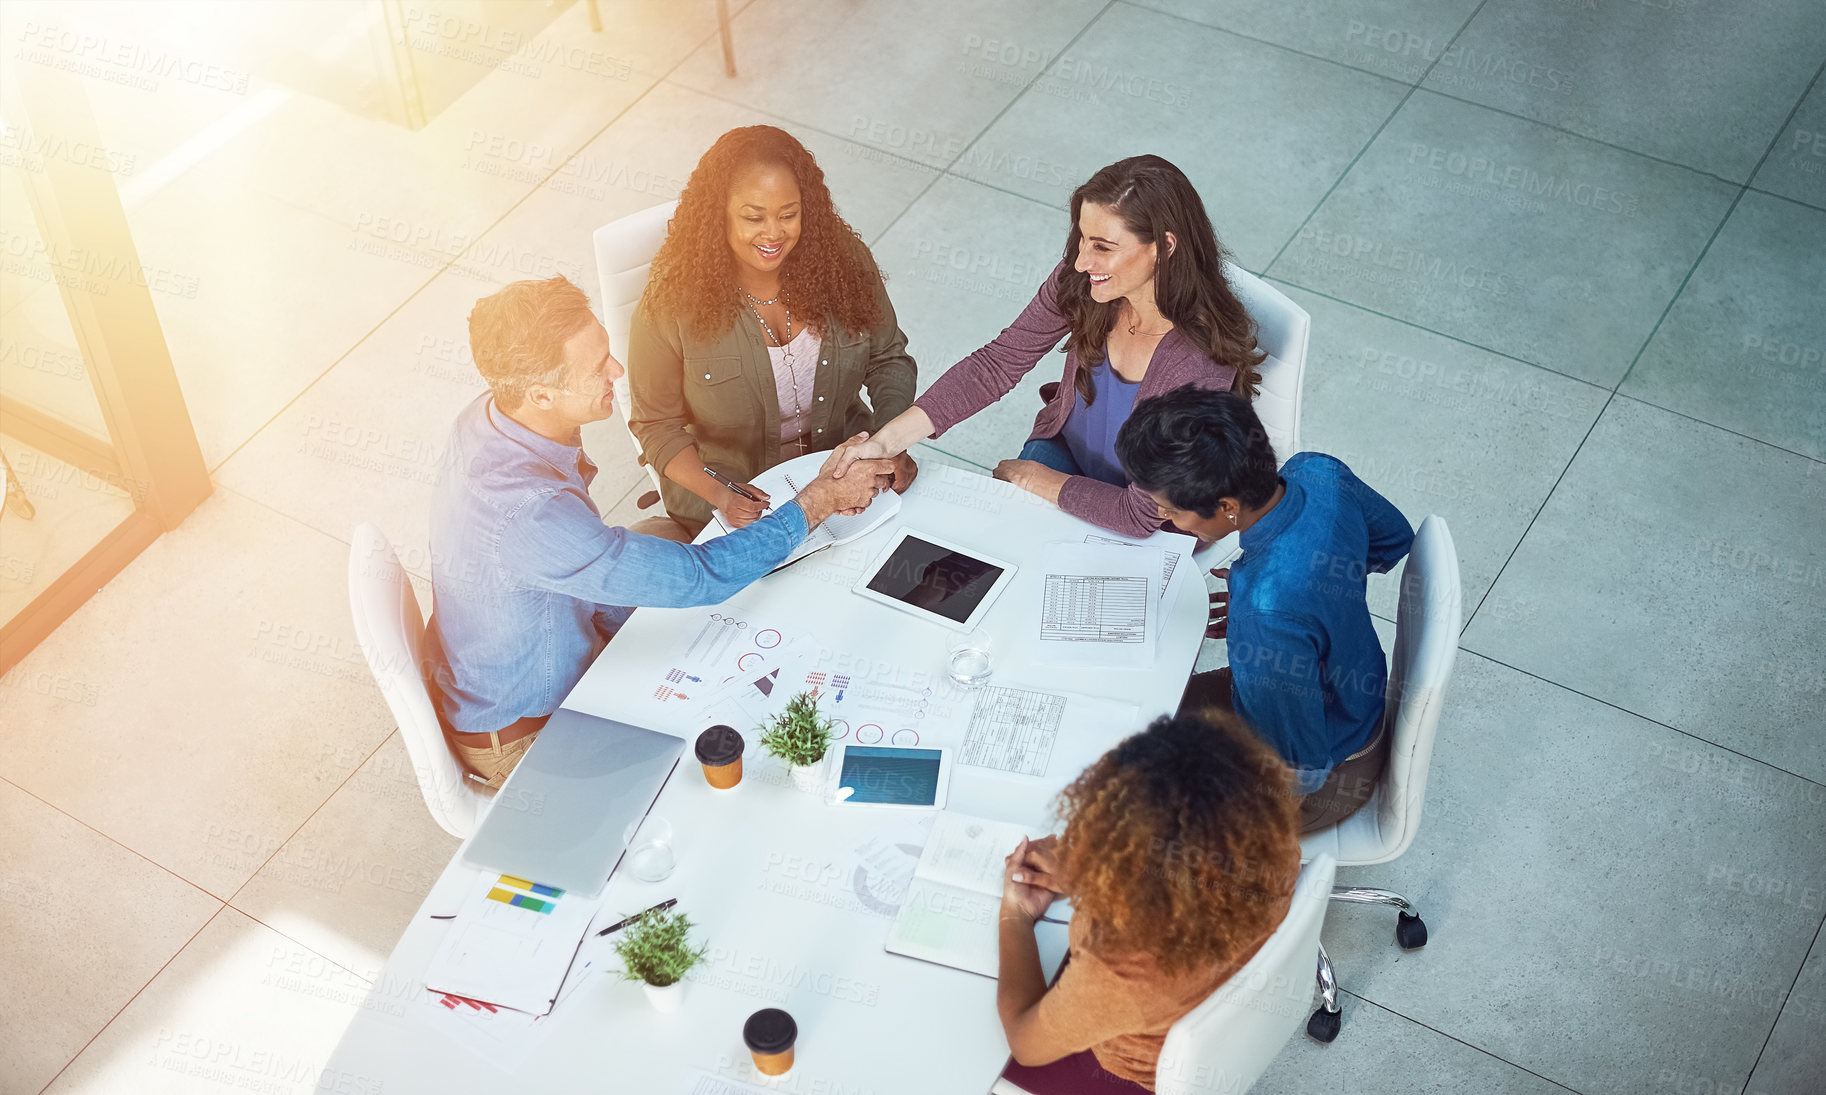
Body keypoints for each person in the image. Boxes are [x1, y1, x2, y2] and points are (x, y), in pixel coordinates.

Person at [423, 276, 895, 788]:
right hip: (531, 734)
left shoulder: (491, 415)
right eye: (597, 367)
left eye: (607, 352)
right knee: (734, 752)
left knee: (681, 560)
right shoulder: (529, 513)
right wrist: (817, 503)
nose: (617, 371)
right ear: (540, 394)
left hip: (534, 647)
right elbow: (698, 578)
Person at [822, 154, 1265, 538]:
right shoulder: (1087, 283)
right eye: (1082, 239)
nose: (1081, 261)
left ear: (1163, 248)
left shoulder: (1197, 359)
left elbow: (1140, 514)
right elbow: (997, 364)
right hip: (1066, 450)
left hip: (1153, 514)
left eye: (1103, 246)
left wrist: (1037, 478)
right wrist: (884, 443)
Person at [1114, 385, 1414, 832]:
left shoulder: (1266, 610)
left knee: (1120, 807)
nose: (1164, 520)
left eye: (1171, 510)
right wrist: (1313, 595)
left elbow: (1298, 771)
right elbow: (1393, 539)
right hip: (1353, 704)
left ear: (1227, 507)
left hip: (1326, 773)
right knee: (1133, 722)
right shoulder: (1317, 471)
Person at [628, 125, 919, 536]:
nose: (773, 233)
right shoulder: (672, 302)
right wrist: (720, 494)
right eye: (753, 217)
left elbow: (889, 358)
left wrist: (888, 445)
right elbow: (656, 426)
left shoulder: (842, 263)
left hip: (845, 471)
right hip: (733, 496)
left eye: (788, 214)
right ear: (719, 216)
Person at [995, 711, 1301, 1092]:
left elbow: (1024, 1042)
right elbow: (1191, 881)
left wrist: (1016, 916)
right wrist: (1091, 874)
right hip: (1229, 1020)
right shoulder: (1269, 841)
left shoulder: (1120, 968)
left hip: (1130, 1074)